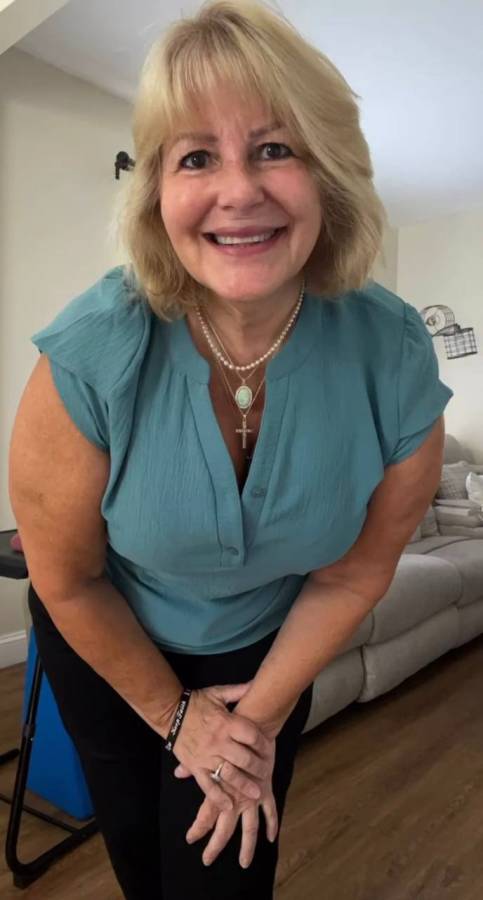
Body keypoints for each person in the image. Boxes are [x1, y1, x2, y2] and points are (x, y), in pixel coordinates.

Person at [8, 1, 454, 898]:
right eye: (196, 157)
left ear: (327, 172)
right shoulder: (92, 350)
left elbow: (355, 572)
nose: (238, 191)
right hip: (108, 642)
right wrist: (178, 718)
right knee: (145, 866)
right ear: (156, 192)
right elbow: (69, 579)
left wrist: (250, 724)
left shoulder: (394, 351)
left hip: (264, 655)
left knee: (225, 880)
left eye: (274, 148)